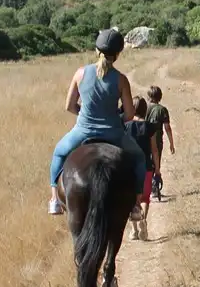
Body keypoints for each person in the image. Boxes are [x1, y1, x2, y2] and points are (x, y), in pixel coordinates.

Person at [48, 29, 146, 219]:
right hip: (113, 133)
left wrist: (84, 115)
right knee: (139, 158)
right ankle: (135, 205)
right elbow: (130, 114)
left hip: (82, 131)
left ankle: (54, 201)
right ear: (117, 54)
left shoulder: (80, 73)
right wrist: (115, 119)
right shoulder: (121, 79)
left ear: (96, 50)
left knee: (59, 152)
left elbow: (69, 106)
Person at [124, 96, 160, 236]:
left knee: (131, 199)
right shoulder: (149, 127)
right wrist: (157, 169)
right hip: (146, 167)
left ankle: (134, 230)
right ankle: (143, 221)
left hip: (130, 168)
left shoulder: (126, 126)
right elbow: (155, 150)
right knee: (145, 198)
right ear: (145, 110)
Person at [145, 85, 175, 196]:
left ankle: (146, 188)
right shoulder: (162, 110)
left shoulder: (145, 108)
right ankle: (154, 187)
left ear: (148, 96)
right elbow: (167, 127)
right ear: (160, 97)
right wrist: (171, 143)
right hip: (157, 141)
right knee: (156, 164)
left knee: (146, 163)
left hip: (144, 139)